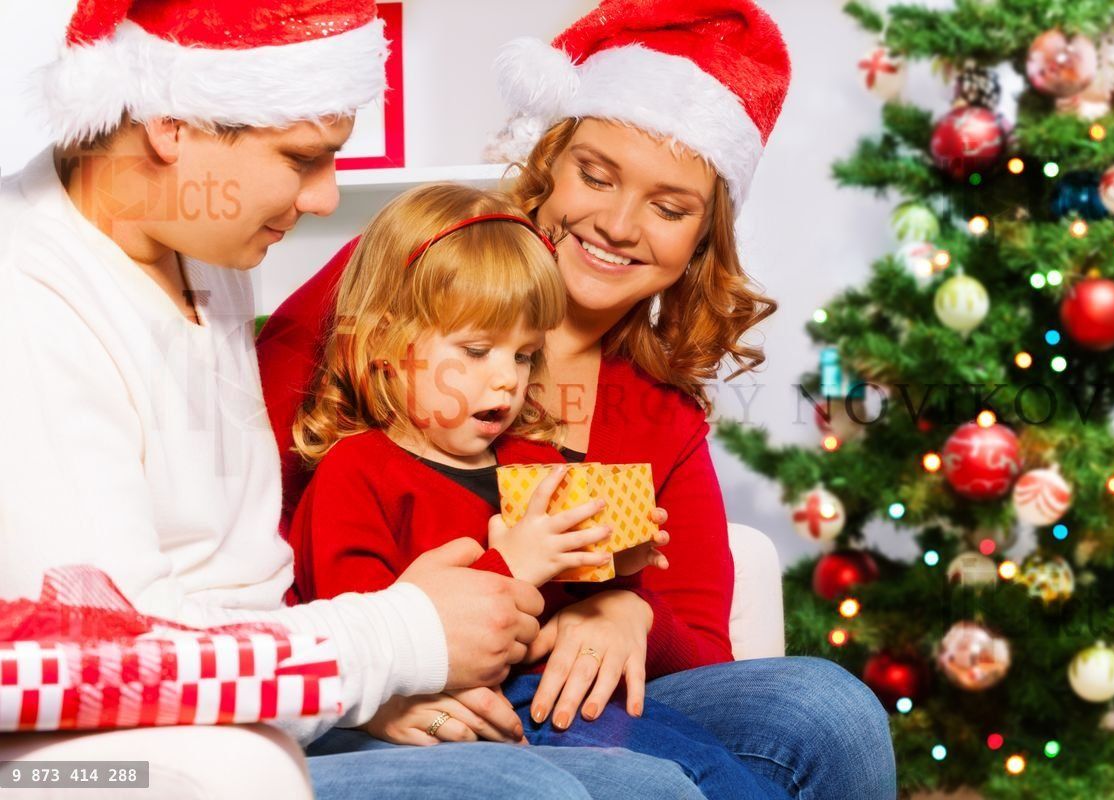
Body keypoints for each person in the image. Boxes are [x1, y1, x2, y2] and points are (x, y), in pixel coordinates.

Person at [0, 1, 648, 797]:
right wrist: (393, 651)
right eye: (305, 158)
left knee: (807, 711)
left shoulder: (202, 248)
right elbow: (115, 654)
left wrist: (615, 596)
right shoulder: (25, 303)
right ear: (170, 124)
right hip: (169, 751)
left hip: (302, 691)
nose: (322, 197)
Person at [257, 1, 898, 797]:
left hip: (561, 693)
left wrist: (627, 611)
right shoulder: (417, 276)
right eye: (595, 175)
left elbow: (685, 630)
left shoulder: (652, 415)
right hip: (355, 683)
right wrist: (375, 680)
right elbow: (221, 513)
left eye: (669, 209)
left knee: (825, 707)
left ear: (702, 240)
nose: (618, 224)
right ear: (548, 161)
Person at [286, 181, 791, 799]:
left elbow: (577, 603)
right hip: (471, 718)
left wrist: (618, 571)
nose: (506, 380)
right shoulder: (355, 475)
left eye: (525, 356)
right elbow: (370, 645)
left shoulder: (534, 462)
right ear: (383, 347)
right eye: (474, 351)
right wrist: (514, 566)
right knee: (671, 781)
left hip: (560, 692)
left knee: (718, 772)